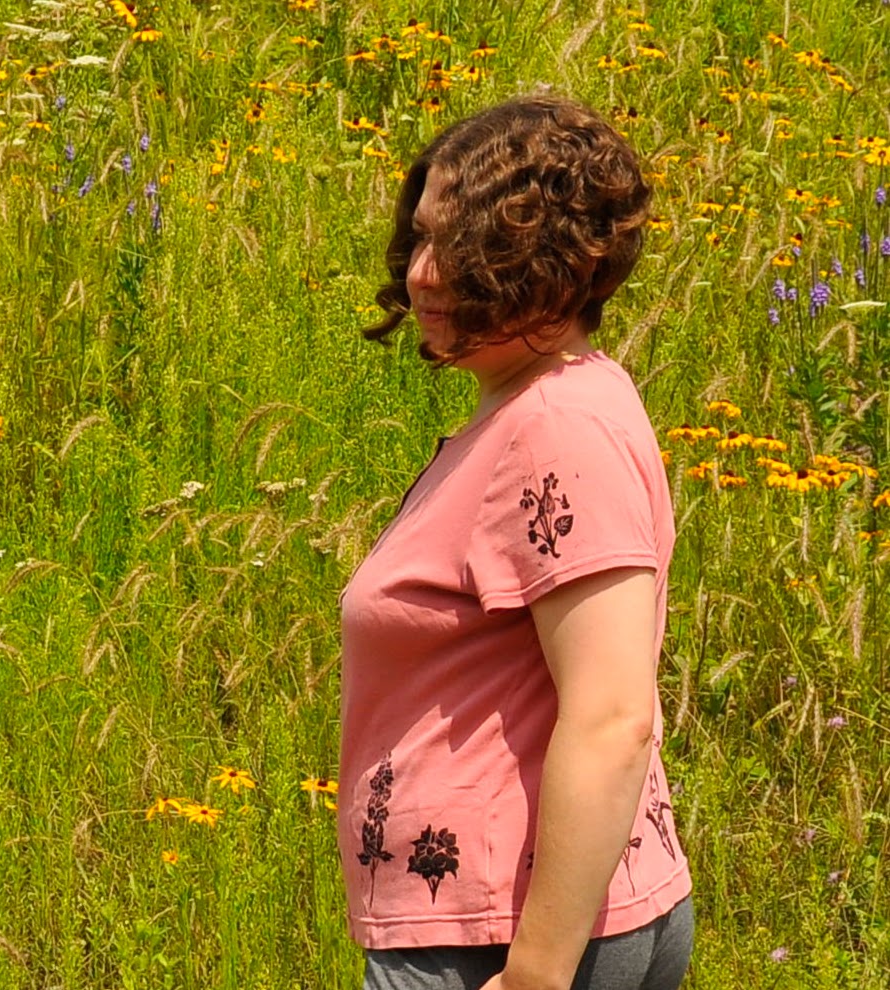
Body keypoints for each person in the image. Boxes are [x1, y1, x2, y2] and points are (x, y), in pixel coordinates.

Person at [338, 95, 694, 990]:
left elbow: (613, 715)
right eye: (419, 239)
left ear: (549, 265)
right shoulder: (551, 405)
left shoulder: (556, 426)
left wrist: (535, 973)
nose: (422, 274)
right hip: (546, 917)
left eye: (460, 251)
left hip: (494, 936)